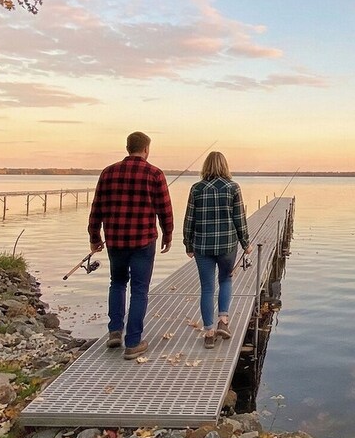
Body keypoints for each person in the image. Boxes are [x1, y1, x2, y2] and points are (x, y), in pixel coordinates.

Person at [88, 131, 173, 359]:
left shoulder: (108, 173)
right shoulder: (154, 174)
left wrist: (94, 236)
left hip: (115, 240)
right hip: (143, 241)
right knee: (139, 289)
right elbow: (165, 209)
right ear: (146, 149)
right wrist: (168, 234)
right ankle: (133, 342)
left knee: (116, 283)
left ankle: (115, 331)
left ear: (128, 147)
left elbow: (97, 208)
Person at [183, 151, 251, 349]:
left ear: (205, 166)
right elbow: (240, 218)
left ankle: (209, 332)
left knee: (207, 287)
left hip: (202, 245)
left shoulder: (196, 189)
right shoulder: (232, 188)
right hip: (227, 245)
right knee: (225, 279)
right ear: (225, 166)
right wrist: (245, 243)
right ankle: (223, 320)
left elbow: (189, 219)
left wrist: (188, 243)